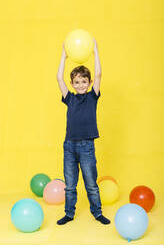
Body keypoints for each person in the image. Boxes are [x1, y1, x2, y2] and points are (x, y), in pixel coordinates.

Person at [56, 38, 110, 225]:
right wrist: (64, 55)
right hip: (69, 146)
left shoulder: (92, 97)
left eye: (83, 81)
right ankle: (69, 214)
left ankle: (97, 212)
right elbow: (58, 78)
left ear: (89, 83)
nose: (80, 85)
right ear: (72, 83)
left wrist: (95, 50)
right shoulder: (69, 98)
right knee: (70, 186)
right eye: (77, 82)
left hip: (87, 146)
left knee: (91, 185)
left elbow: (100, 73)